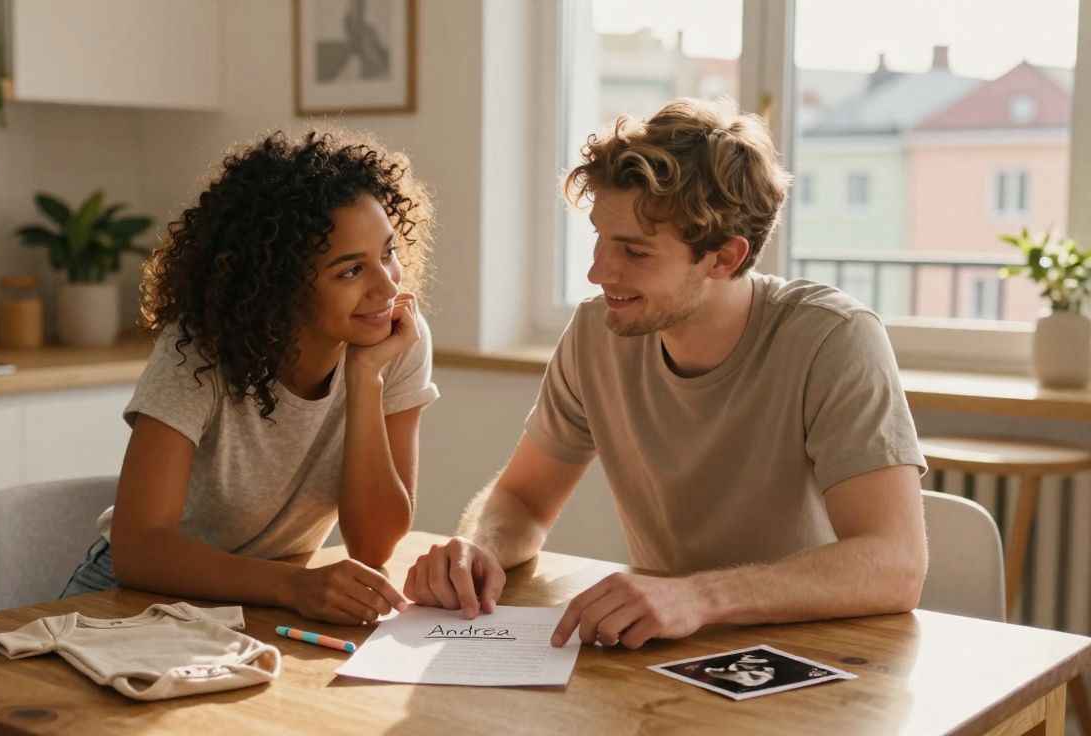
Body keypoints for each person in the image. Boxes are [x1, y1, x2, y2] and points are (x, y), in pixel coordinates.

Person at [404, 97, 928, 648]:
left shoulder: (832, 337)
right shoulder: (595, 334)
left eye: (633, 252)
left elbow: (894, 564)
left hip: (820, 660)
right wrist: (480, 545)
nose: (598, 271)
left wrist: (698, 597)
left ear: (723, 258)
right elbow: (524, 500)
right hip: (667, 654)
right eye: (600, 240)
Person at [61, 130, 439, 626]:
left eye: (387, 253)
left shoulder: (394, 339)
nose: (388, 285)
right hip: (132, 600)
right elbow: (139, 550)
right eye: (350, 271)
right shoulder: (201, 349)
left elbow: (372, 543)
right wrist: (293, 586)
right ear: (281, 287)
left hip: (263, 602)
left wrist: (366, 380)